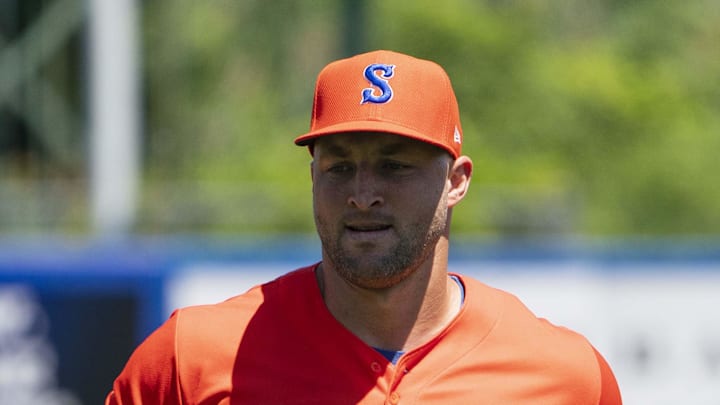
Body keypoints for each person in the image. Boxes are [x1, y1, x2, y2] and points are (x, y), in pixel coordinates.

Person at [106, 50, 622, 404]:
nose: (362, 193)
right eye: (339, 166)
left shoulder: (564, 376)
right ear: (313, 177)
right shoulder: (191, 358)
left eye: (395, 166)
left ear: (457, 182)